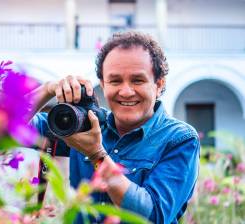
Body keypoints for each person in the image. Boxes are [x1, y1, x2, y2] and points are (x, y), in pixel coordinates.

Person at [29, 31, 200, 224]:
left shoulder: (180, 139)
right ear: (103, 84)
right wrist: (47, 89)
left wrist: (97, 155)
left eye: (138, 80)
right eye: (115, 80)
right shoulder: (85, 126)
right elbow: (4, 126)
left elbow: (153, 217)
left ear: (159, 84)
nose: (126, 92)